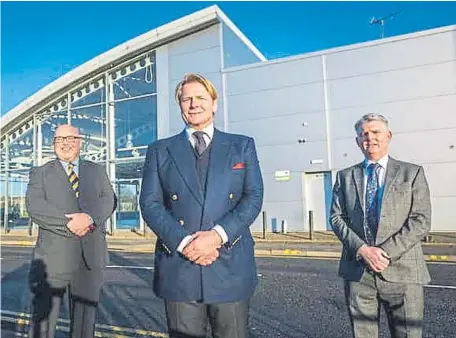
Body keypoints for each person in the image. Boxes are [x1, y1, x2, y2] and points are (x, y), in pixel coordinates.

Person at [140, 73, 264, 338]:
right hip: (179, 265)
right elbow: (150, 204)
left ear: (214, 103)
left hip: (229, 264)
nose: (194, 104)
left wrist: (216, 236)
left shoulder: (242, 146)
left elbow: (253, 197)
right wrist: (186, 243)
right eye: (187, 99)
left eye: (200, 98)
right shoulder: (159, 150)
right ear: (180, 106)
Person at [330, 113, 432, 338]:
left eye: (375, 132)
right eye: (363, 134)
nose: (370, 138)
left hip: (403, 271)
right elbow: (337, 218)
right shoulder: (345, 176)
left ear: (388, 135)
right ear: (358, 141)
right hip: (358, 272)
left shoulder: (412, 173)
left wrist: (383, 253)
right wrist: (363, 250)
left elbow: (420, 220)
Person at [26, 124, 116, 338]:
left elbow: (109, 200)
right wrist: (69, 224)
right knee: (44, 323)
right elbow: (35, 206)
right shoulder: (41, 173)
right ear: (53, 144)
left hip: (90, 257)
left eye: (70, 138)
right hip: (52, 260)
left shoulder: (97, 170)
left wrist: (89, 218)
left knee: (85, 324)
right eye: (59, 139)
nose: (65, 143)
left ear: (80, 141)